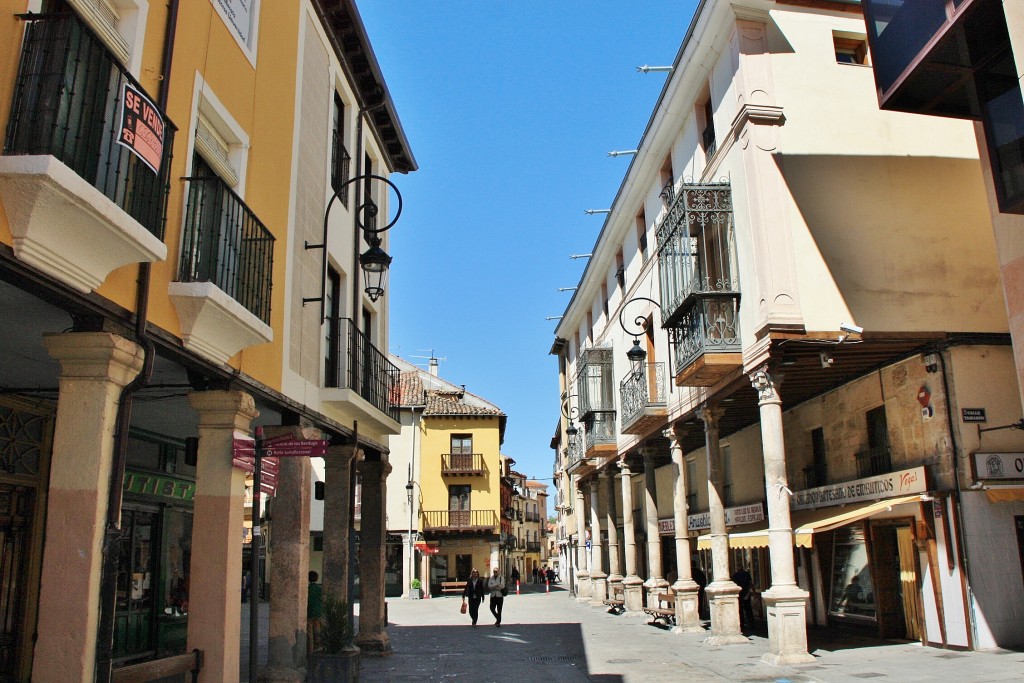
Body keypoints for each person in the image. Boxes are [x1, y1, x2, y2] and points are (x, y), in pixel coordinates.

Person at [732, 566, 754, 631]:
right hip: (746, 593)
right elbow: (750, 583)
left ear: (737, 568)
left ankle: (741, 624)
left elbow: (734, 584)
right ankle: (752, 623)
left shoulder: (735, 575)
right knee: (748, 609)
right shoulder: (747, 574)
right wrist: (753, 591)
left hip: (739, 594)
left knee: (740, 610)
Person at [307, 571, 323, 653]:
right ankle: (318, 648)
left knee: (309, 633)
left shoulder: (307, 589)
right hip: (318, 612)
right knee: (317, 630)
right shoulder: (320, 589)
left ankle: (310, 650)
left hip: (309, 612)